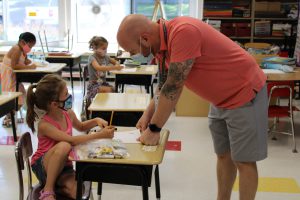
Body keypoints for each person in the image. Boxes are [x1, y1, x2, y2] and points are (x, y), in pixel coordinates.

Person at [117, 14, 268, 200]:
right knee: (224, 156)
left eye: (132, 50)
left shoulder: (183, 32)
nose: (133, 55)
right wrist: (148, 114)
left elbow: (174, 87)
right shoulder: (160, 46)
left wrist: (154, 129)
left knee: (243, 161)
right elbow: (163, 84)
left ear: (145, 39)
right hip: (219, 99)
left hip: (244, 92)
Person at [26, 74, 115, 200]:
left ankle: (59, 186)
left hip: (64, 167)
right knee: (64, 145)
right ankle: (48, 189)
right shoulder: (44, 125)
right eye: (66, 94)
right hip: (43, 166)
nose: (69, 97)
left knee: (76, 192)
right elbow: (72, 141)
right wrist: (100, 135)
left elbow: (82, 127)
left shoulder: (68, 113)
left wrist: (96, 120)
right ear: (54, 104)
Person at [1, 32, 37, 127]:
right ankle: (8, 117)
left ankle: (10, 115)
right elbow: (15, 65)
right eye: (30, 46)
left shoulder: (22, 50)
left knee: (21, 95)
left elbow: (24, 61)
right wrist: (29, 67)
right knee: (15, 96)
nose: (30, 48)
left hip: (13, 75)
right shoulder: (16, 49)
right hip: (8, 76)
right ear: (22, 42)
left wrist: (31, 61)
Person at [87, 36, 123, 102]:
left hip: (103, 83)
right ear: (95, 48)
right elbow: (99, 68)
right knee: (109, 90)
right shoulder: (92, 58)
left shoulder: (106, 57)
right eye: (103, 48)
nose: (105, 50)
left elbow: (116, 62)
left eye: (106, 48)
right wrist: (114, 67)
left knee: (115, 90)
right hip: (94, 85)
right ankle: (98, 109)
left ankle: (108, 109)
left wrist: (117, 64)